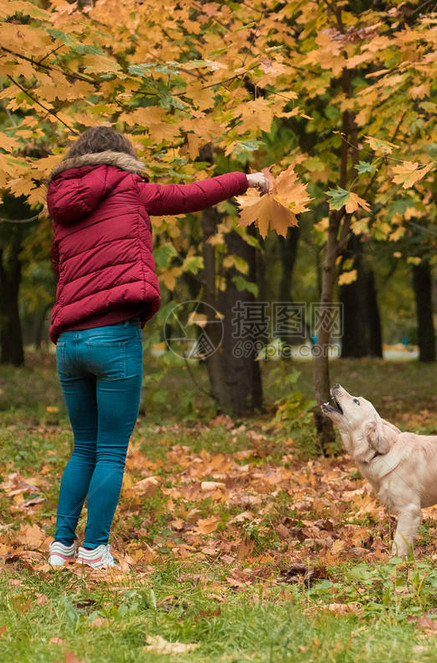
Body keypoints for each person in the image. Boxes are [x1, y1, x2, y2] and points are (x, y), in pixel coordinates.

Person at [45, 125, 269, 569]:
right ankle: (94, 550)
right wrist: (247, 179)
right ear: (120, 157)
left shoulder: (60, 204)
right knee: (109, 449)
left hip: (69, 341)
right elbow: (192, 194)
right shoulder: (130, 187)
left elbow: (59, 264)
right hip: (113, 336)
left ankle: (61, 546)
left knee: (83, 447)